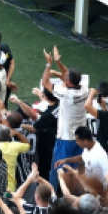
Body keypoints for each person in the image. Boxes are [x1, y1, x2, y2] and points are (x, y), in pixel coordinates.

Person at [42, 46, 89, 190]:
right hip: (80, 138)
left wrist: (49, 63)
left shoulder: (65, 94)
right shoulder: (84, 90)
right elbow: (67, 76)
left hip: (65, 139)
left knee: (57, 169)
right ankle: (75, 196)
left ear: (68, 82)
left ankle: (54, 197)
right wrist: (58, 62)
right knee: (77, 169)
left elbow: (46, 83)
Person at [21, 88, 59, 181]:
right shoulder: (59, 103)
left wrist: (19, 124)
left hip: (47, 144)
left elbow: (34, 128)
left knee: (47, 165)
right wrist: (40, 94)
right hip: (56, 136)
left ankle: (48, 186)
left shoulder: (46, 115)